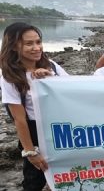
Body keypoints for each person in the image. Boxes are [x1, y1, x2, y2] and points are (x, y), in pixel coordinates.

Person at [0, 22, 68, 190]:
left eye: (38, 42)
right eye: (29, 44)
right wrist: (30, 152)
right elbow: (19, 119)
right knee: (34, 180)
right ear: (14, 46)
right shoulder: (11, 76)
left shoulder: (51, 66)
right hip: (34, 131)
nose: (37, 48)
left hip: (59, 129)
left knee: (65, 175)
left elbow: (72, 89)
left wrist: (50, 79)